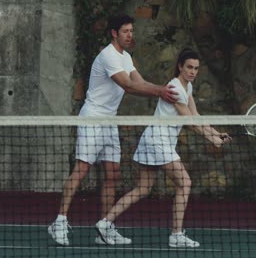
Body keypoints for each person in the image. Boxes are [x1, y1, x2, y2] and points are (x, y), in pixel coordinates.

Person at [47, 14, 179, 246]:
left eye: (131, 31)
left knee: (112, 174)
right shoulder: (108, 55)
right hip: (92, 118)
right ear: (114, 33)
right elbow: (128, 85)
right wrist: (160, 91)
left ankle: (105, 227)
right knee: (81, 169)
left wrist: (161, 89)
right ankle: (59, 221)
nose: (130, 35)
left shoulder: (125, 57)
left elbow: (140, 81)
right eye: (126, 31)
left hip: (110, 120)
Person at [94, 48, 232, 247]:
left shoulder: (188, 88)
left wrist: (216, 133)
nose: (193, 72)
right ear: (180, 67)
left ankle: (105, 223)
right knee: (185, 183)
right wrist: (212, 139)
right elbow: (190, 122)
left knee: (142, 189)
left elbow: (197, 116)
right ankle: (176, 235)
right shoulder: (174, 88)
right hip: (158, 142)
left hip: (151, 140)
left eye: (196, 68)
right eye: (189, 67)